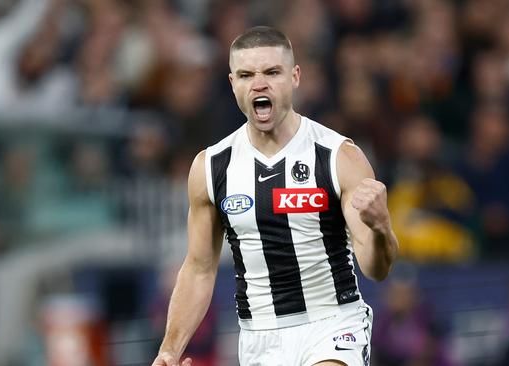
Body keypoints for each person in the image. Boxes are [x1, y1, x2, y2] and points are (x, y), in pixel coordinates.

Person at [151, 26, 399, 366]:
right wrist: (170, 350)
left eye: (271, 72)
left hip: (332, 324)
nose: (259, 84)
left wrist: (382, 228)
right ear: (232, 83)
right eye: (246, 74)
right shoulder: (211, 168)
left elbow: (375, 268)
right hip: (260, 337)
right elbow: (198, 269)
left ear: (295, 77)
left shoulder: (338, 156)